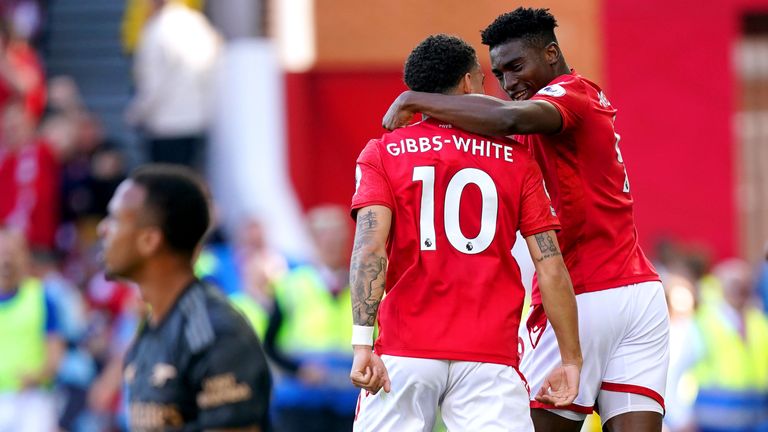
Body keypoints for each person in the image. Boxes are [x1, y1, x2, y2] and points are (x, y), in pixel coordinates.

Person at [383, 8, 669, 432]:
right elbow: (498, 112)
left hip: (581, 294)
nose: (510, 82)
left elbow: (506, 117)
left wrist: (414, 100)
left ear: (551, 54)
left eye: (517, 67)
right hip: (639, 293)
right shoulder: (574, 104)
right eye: (498, 73)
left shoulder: (567, 93)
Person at [350, 34, 581, 432]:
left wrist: (361, 345)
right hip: (490, 357)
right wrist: (571, 359)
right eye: (482, 77)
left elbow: (369, 250)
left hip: (405, 352)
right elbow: (550, 263)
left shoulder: (382, 153)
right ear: (467, 85)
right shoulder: (518, 159)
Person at [98, 164, 271, 431]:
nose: (102, 230)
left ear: (149, 240)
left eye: (115, 219)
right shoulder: (153, 328)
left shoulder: (214, 332)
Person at [264, 205, 359, 432]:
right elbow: (269, 344)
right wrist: (299, 370)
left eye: (338, 236)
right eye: (326, 236)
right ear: (314, 240)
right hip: (300, 404)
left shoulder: (363, 287)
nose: (333, 243)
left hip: (348, 403)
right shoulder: (290, 286)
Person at [666, 259, 768, 432]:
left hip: (756, 422)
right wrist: (680, 419)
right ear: (722, 286)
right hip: (712, 424)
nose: (741, 290)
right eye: (735, 284)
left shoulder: (758, 322)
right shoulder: (703, 324)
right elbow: (673, 372)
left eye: (746, 284)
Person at [125, 0, 220, 169]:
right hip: (195, 122)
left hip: (165, 126)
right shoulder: (198, 24)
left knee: (165, 185)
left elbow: (152, 85)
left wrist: (137, 114)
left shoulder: (156, 30)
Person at [0, 227, 64, 432]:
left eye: (12, 254)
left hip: (32, 399)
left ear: (25, 257)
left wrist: (37, 376)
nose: (6, 262)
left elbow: (55, 354)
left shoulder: (42, 297)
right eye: (1, 253)